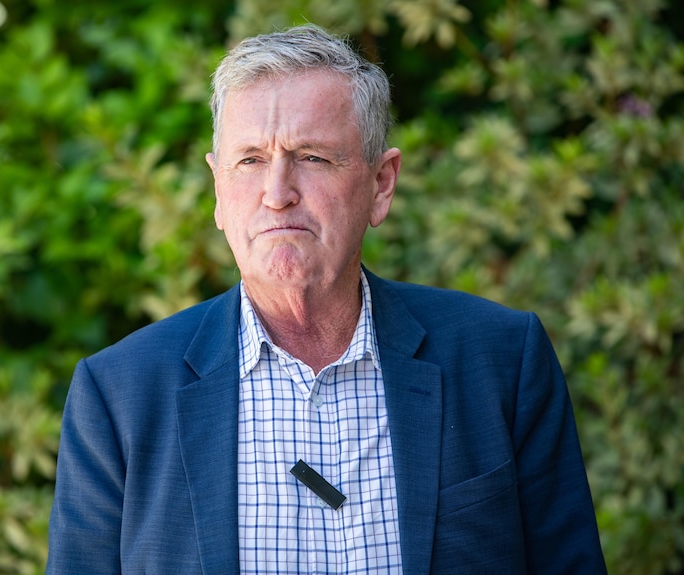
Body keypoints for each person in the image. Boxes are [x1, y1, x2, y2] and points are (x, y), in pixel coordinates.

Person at [46, 24, 606, 574]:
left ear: (381, 184)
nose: (277, 193)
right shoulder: (119, 396)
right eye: (251, 160)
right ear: (218, 190)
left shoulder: (502, 361)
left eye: (311, 157)